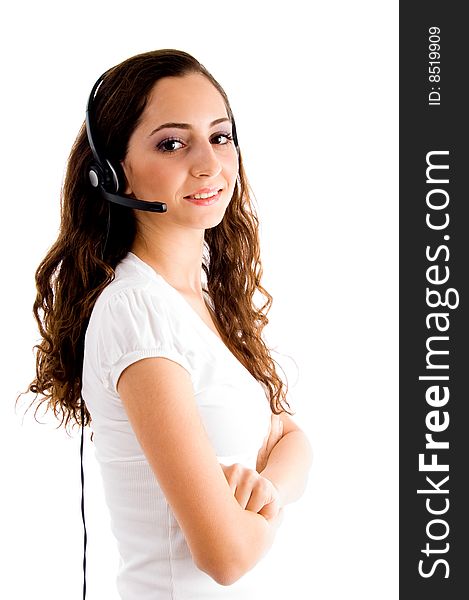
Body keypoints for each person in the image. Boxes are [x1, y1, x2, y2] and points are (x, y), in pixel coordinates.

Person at [24, 49, 313, 599]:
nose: (209, 164)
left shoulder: (203, 298)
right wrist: (261, 512)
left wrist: (264, 493)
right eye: (172, 143)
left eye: (221, 136)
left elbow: (293, 437)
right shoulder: (138, 314)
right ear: (115, 172)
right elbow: (225, 557)